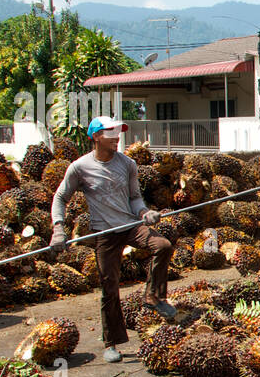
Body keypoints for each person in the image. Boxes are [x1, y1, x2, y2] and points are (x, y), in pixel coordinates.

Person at [49, 116, 175, 363]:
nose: (117, 138)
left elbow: (134, 198)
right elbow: (60, 198)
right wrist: (58, 229)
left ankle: (153, 296)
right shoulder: (80, 167)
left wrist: (144, 212)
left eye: (118, 133)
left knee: (163, 245)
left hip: (130, 225)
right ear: (96, 137)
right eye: (111, 134)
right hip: (105, 232)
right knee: (110, 287)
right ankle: (111, 343)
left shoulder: (127, 164)